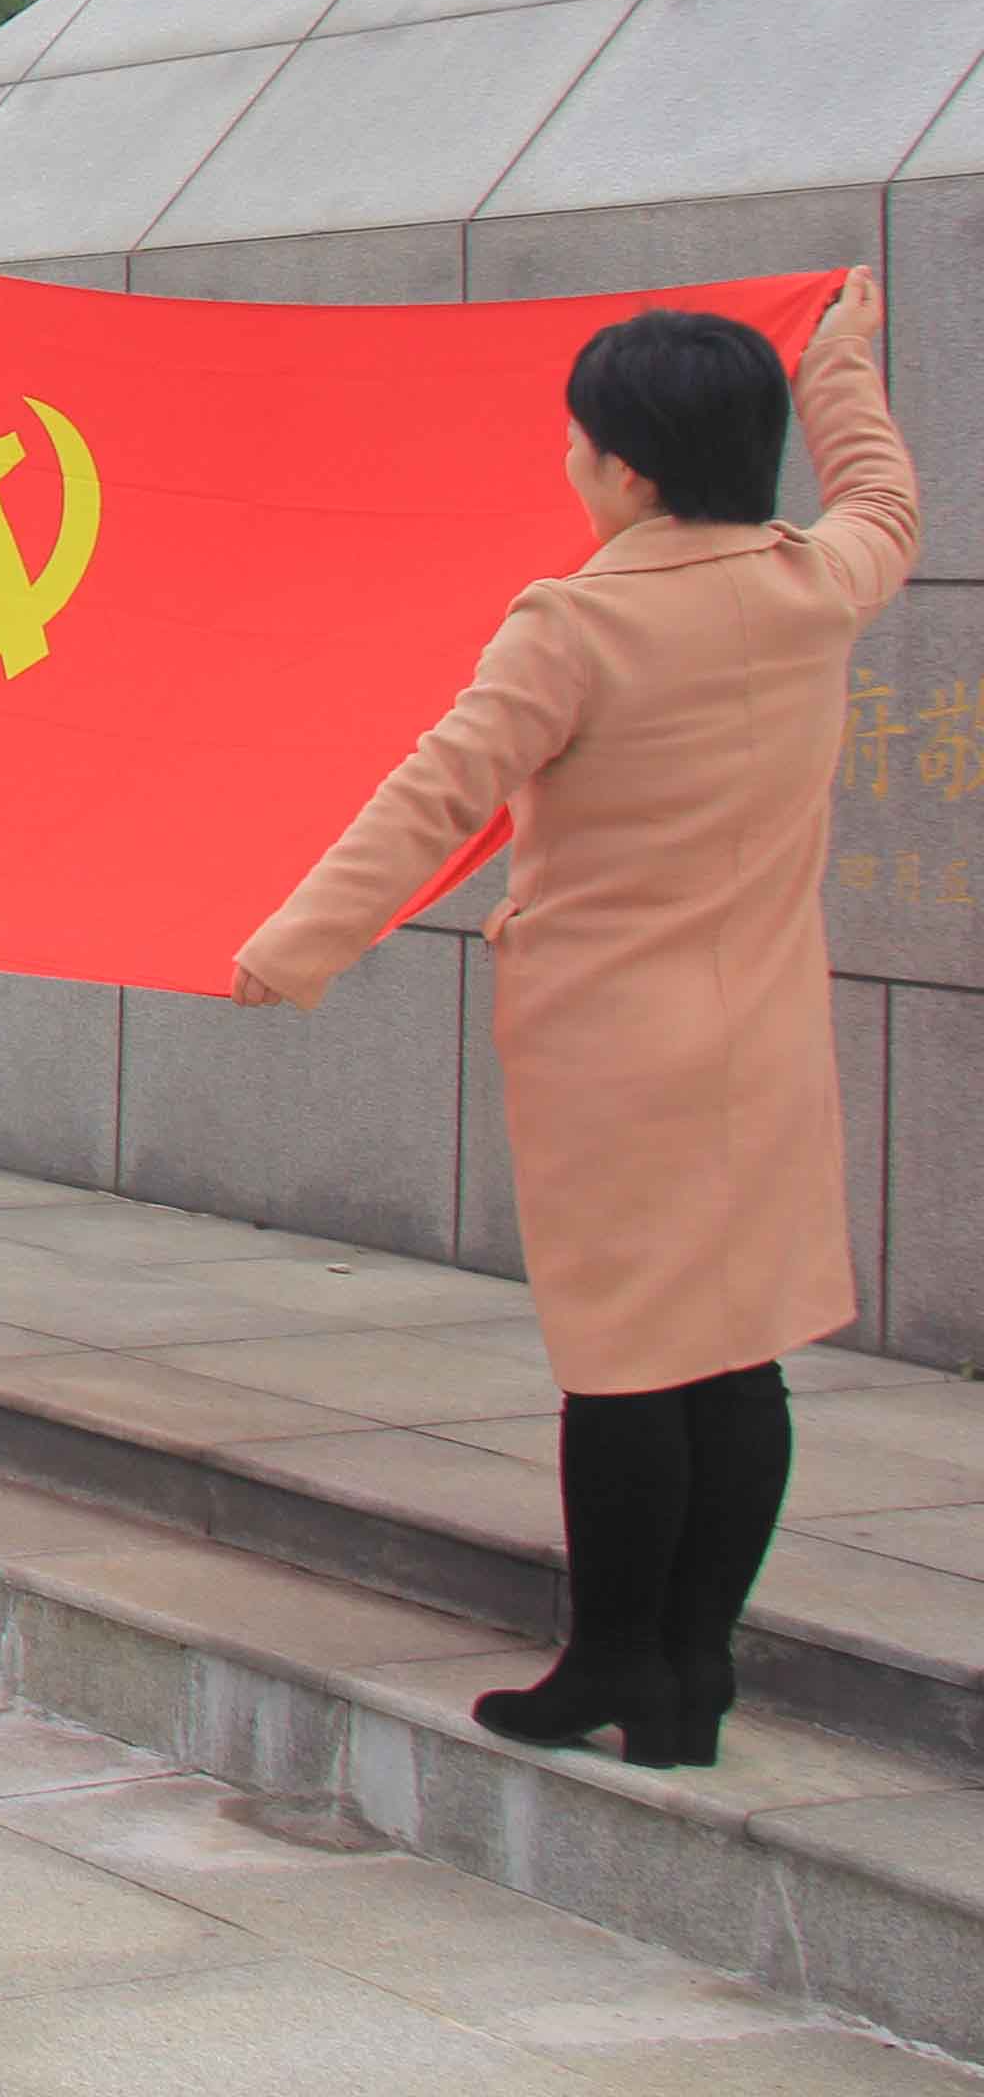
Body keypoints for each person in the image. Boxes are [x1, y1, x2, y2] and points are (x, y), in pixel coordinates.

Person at [233, 270, 915, 1769]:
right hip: (766, 1038)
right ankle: (694, 1667)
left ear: (633, 467)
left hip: (614, 1049)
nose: (568, 463)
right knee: (739, 1356)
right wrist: (841, 363)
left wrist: (295, 946)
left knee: (620, 1364)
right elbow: (883, 491)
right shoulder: (820, 579)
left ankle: (614, 1659)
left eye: (578, 442)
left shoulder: (577, 622)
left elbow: (440, 792)